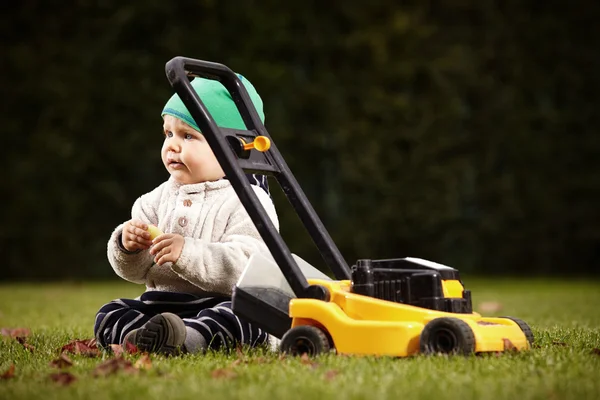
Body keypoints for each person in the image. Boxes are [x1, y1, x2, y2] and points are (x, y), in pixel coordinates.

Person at [94, 74, 279, 355]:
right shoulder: (154, 200)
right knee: (111, 311)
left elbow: (247, 267)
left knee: (246, 319)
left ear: (234, 148)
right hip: (162, 303)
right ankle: (142, 336)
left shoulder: (249, 201)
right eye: (168, 134)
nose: (172, 145)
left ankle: (189, 339)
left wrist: (187, 254)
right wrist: (127, 246)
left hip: (219, 303)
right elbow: (135, 272)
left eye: (188, 135)